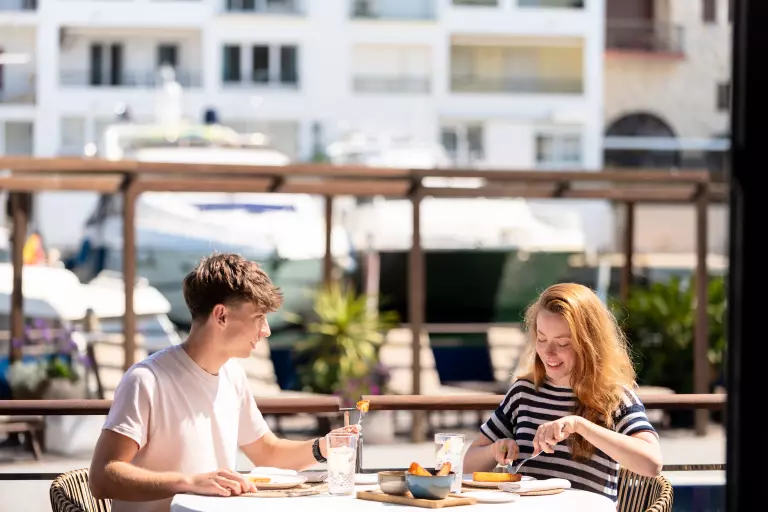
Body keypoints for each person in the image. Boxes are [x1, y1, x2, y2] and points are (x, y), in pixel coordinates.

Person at [89, 253, 358, 512]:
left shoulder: (233, 376)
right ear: (221, 316)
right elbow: (102, 477)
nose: (266, 331)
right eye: (259, 318)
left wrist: (325, 447)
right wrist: (189, 482)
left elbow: (268, 453)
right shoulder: (146, 380)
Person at [463, 283, 662, 502]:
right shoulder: (523, 393)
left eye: (563, 343)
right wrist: (494, 450)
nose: (548, 352)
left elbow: (652, 464)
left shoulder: (614, 398)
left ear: (589, 344)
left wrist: (581, 426)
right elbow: (467, 465)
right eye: (542, 339)